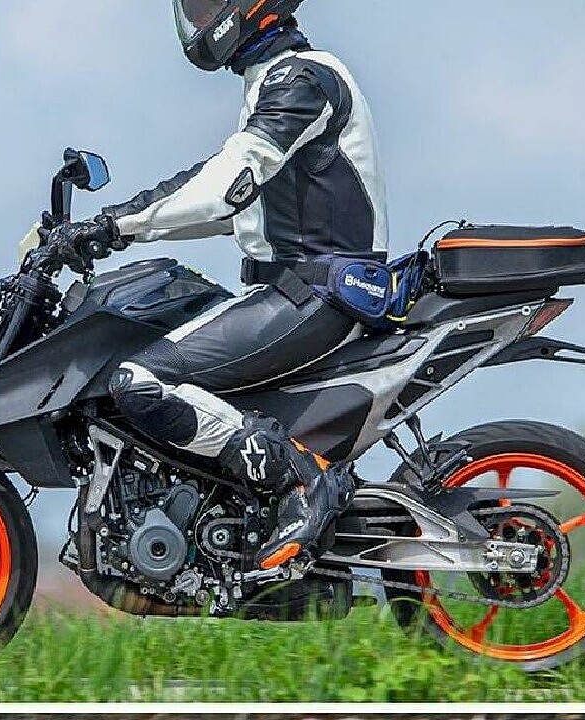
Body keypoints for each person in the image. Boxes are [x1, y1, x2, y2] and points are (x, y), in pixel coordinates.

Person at [50, 0, 388, 570]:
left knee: (140, 381)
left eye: (208, 6)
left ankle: (302, 483)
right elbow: (231, 203)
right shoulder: (275, 81)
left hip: (315, 292)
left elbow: (225, 184)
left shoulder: (302, 79)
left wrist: (114, 225)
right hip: (297, 291)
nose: (199, 21)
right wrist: (117, 228)